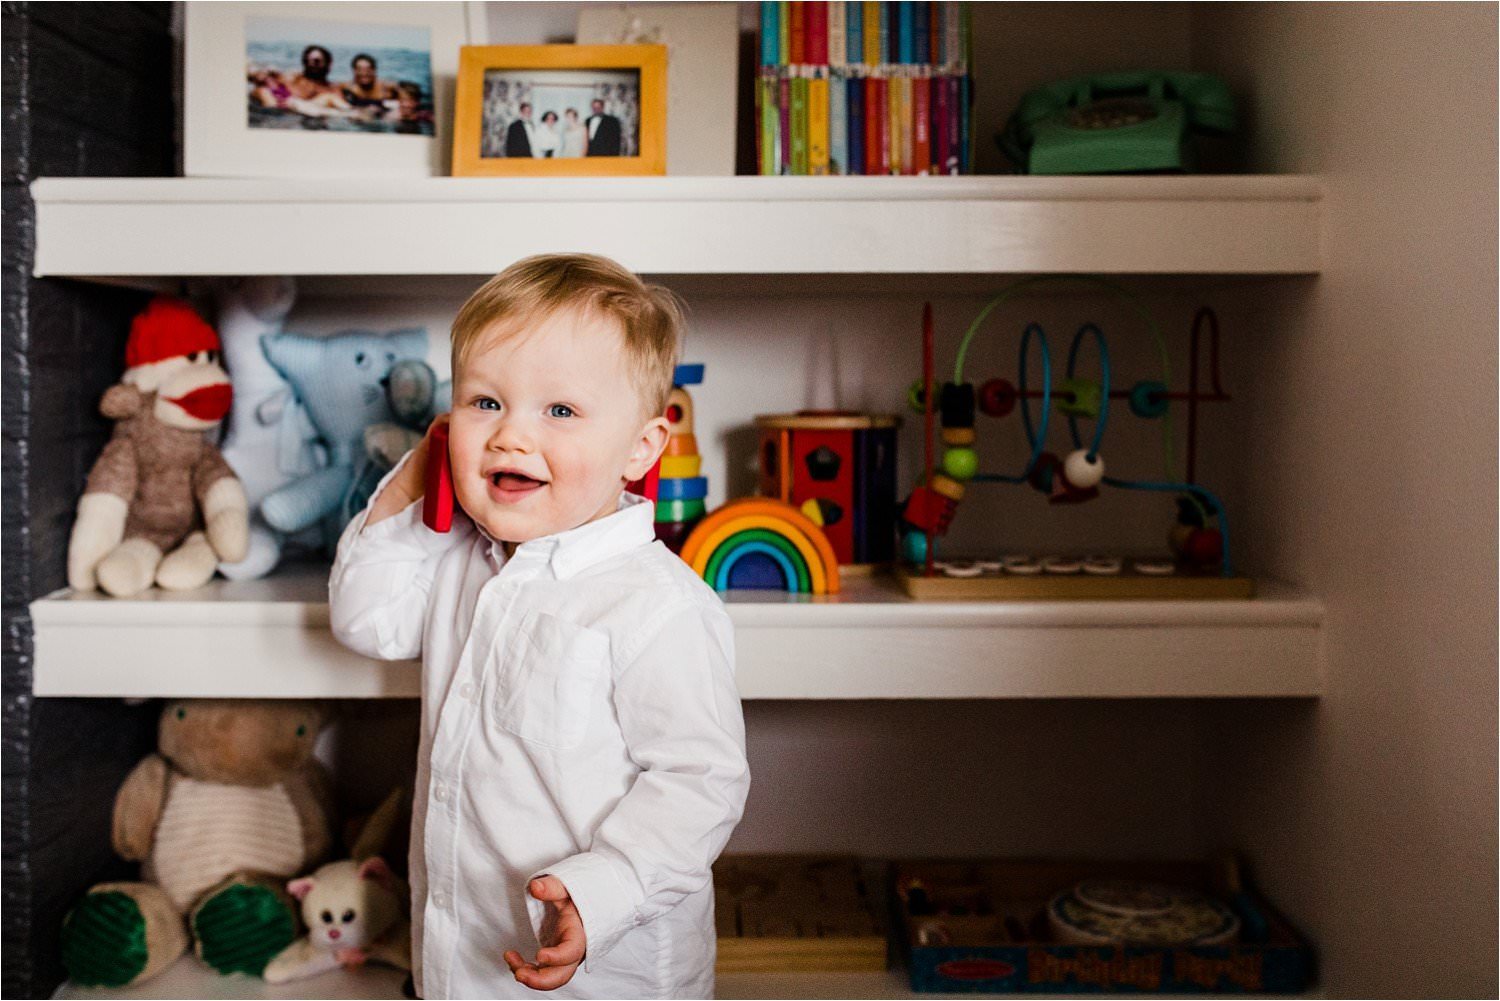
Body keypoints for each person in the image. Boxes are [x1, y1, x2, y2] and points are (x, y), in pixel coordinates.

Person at [328, 253, 750, 999]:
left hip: (602, 969)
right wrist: (417, 483)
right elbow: (366, 620)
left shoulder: (657, 605)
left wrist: (606, 887)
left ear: (640, 448)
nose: (509, 437)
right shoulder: (462, 560)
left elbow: (698, 782)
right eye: (485, 403)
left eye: (559, 411)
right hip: (462, 958)